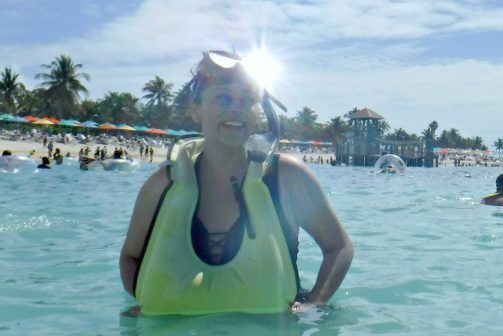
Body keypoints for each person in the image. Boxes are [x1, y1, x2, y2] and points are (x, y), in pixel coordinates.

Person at [119, 50, 354, 315]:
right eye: (222, 97)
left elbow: (339, 247)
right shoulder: (163, 186)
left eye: (247, 99)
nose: (236, 108)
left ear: (259, 112)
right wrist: (144, 298)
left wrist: (314, 303)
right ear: (195, 109)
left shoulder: (286, 178)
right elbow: (130, 257)